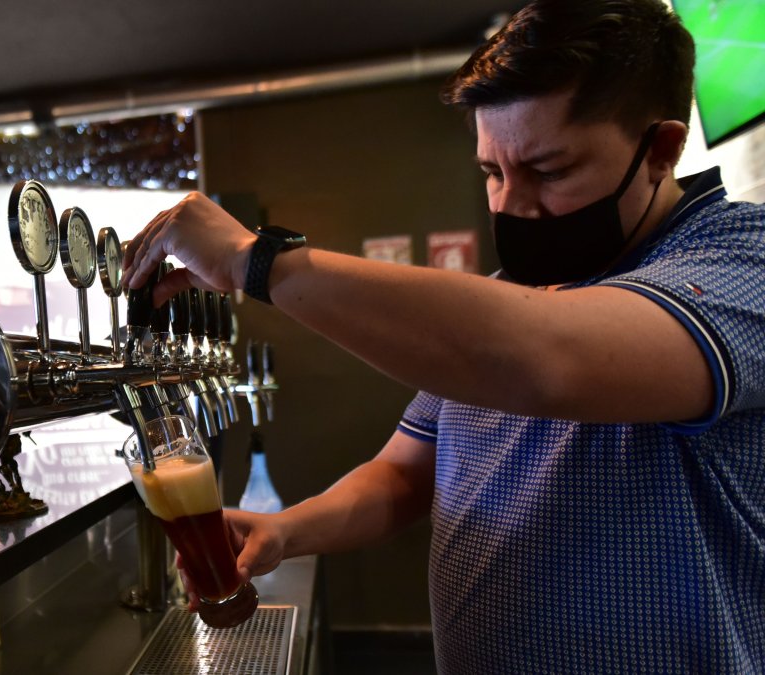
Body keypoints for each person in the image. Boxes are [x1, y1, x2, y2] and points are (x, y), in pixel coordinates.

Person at [123, 0, 765, 672]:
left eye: (548, 171)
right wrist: (287, 529)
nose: (511, 205)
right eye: (493, 172)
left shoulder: (739, 258)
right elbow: (404, 475)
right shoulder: (507, 293)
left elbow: (547, 357)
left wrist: (255, 262)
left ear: (660, 150)